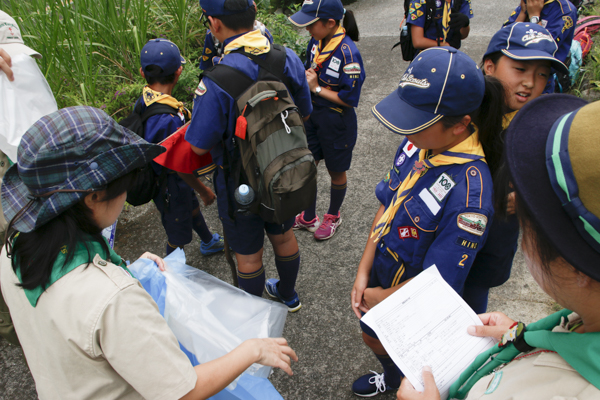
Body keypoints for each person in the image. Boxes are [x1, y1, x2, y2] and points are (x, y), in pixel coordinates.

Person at [0, 106, 297, 399]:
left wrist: (126, 270)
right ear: (93, 197)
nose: (126, 195)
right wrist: (252, 349)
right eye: (123, 184)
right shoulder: (114, 299)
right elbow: (183, 390)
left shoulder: (12, 251)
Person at [397, 95, 600, 400]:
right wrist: (524, 337)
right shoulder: (583, 322)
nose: (514, 204)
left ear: (576, 265)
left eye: (526, 215)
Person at [351, 47, 503, 397]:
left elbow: (439, 286)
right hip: (381, 273)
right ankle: (390, 379)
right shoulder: (416, 145)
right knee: (371, 336)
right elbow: (389, 200)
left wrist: (385, 298)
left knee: (414, 366)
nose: (405, 130)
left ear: (461, 125)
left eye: (416, 122)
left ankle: (399, 380)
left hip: (413, 300)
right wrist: (364, 268)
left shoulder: (470, 196)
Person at [185, 0, 312, 311]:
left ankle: (254, 318)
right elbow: (305, 112)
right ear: (254, 14)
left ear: (214, 24)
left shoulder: (215, 81)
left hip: (240, 184)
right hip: (284, 171)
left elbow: (198, 146)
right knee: (283, 237)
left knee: (249, 256)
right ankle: (288, 294)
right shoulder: (286, 58)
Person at [462, 22, 570, 313]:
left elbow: (558, 186)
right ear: (489, 66)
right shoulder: (460, 112)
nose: (530, 83)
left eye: (542, 74)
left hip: (491, 245)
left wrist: (528, 200)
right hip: (442, 234)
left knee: (471, 307)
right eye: (520, 69)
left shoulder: (542, 130)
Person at [136, 38, 224, 257]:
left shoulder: (146, 100)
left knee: (190, 207)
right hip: (169, 185)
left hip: (168, 181)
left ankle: (208, 241)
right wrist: (203, 189)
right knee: (177, 235)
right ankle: (172, 275)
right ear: (179, 72)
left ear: (142, 72)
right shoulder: (168, 120)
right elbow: (178, 166)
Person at [288, 0, 365, 240]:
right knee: (309, 165)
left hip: (337, 122)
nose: (307, 29)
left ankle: (333, 215)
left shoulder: (348, 53)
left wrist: (316, 88)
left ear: (330, 23)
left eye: (311, 24)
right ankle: (308, 215)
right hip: (313, 116)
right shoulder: (317, 41)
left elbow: (350, 99)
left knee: (336, 171)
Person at [504, 0, 577, 92]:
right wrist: (522, 13)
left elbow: (543, 49)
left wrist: (534, 17)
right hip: (512, 73)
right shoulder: (530, 2)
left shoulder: (565, 11)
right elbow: (503, 39)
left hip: (539, 79)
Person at [408, 0, 473, 52]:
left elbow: (463, 35)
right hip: (426, 54)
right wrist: (446, 46)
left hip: (451, 54)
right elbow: (417, 41)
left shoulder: (460, 1)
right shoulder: (419, 1)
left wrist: (465, 25)